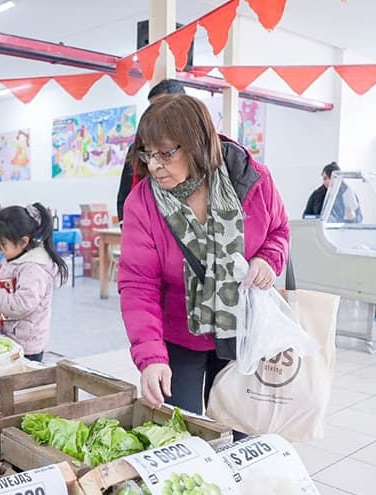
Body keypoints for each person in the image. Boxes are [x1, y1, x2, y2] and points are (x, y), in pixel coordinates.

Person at [119, 94, 290, 416]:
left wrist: (268, 258)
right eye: (148, 154)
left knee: (240, 427)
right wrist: (151, 356)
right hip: (179, 335)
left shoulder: (251, 179)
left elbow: (278, 231)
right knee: (180, 431)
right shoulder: (143, 203)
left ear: (196, 143)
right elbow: (138, 285)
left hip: (243, 331)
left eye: (166, 153)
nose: (155, 165)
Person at [0, 204, 67, 363]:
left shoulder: (34, 270)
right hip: (12, 336)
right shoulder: (18, 256)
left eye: (2, 243)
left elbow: (21, 305)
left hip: (26, 345)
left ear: (24, 242)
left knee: (23, 383)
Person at [116, 78, 187, 224]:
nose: (156, 113)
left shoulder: (200, 149)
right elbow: (125, 194)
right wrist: (127, 224)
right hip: (146, 225)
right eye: (152, 107)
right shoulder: (138, 148)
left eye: (163, 105)